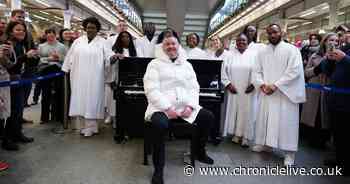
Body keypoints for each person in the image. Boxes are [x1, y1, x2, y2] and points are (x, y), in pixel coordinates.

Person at [144, 36, 214, 184]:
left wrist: (190, 106)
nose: (171, 47)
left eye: (173, 44)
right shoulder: (154, 64)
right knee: (159, 125)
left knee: (208, 117)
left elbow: (194, 88)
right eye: (167, 44)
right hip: (161, 107)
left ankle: (199, 152)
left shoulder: (187, 65)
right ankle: (158, 168)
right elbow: (151, 89)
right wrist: (167, 108)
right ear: (162, 47)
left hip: (184, 106)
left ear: (178, 46)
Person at [252, 24, 306, 166]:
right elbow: (256, 70)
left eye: (275, 32)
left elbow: (294, 71)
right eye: (269, 33)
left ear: (281, 32)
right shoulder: (262, 51)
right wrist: (262, 84)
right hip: (267, 92)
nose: (272, 35)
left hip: (285, 93)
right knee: (266, 120)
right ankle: (267, 145)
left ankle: (289, 153)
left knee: (286, 123)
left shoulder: (292, 50)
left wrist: (276, 85)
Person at [62, 17, 115, 137]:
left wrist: (113, 58)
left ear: (97, 29)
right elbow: (70, 55)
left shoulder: (103, 42)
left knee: (93, 100)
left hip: (95, 78)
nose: (90, 29)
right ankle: (84, 127)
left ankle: (91, 127)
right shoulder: (78, 41)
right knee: (80, 100)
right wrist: (65, 69)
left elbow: (109, 55)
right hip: (78, 77)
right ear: (85, 28)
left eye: (93, 27)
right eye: (88, 27)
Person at [313, 36, 350, 176]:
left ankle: (346, 165)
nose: (345, 36)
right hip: (336, 99)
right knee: (338, 133)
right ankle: (340, 160)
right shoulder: (344, 48)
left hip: (347, 100)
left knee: (346, 134)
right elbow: (328, 71)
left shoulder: (345, 53)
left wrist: (344, 58)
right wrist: (328, 59)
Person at [2, 21, 38, 150]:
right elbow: (10, 66)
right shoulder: (7, 45)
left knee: (18, 110)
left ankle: (17, 134)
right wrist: (25, 56)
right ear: (11, 31)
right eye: (17, 30)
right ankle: (7, 139)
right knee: (9, 113)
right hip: (9, 82)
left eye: (23, 30)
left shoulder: (21, 44)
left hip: (20, 81)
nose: (21, 32)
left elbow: (22, 63)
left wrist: (34, 57)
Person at [221, 33, 257, 147]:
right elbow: (223, 71)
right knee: (235, 111)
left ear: (247, 42)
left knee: (247, 112)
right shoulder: (229, 55)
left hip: (248, 90)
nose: (241, 42)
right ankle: (236, 135)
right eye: (239, 40)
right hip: (234, 89)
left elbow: (259, 71)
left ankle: (246, 137)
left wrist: (253, 84)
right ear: (236, 42)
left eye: (244, 40)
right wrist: (228, 84)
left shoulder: (254, 55)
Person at [301, 33, 336, 148]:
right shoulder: (315, 56)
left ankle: (323, 140)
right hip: (314, 90)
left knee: (324, 116)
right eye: (331, 40)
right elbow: (306, 72)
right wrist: (317, 68)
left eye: (336, 41)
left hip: (328, 90)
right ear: (325, 42)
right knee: (313, 115)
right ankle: (311, 137)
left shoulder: (339, 56)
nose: (333, 43)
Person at [10, 9, 38, 111]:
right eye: (19, 17)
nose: (21, 19)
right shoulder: (8, 34)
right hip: (13, 71)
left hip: (27, 69)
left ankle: (20, 117)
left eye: (23, 17)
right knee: (13, 100)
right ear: (12, 17)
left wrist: (35, 54)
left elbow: (32, 47)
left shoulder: (28, 33)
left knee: (23, 95)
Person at [37, 28, 67, 124]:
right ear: (45, 35)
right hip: (45, 72)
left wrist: (59, 58)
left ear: (55, 34)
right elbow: (38, 59)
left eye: (52, 33)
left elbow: (66, 59)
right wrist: (49, 59)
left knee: (58, 94)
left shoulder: (62, 46)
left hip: (58, 72)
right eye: (48, 33)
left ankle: (58, 116)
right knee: (45, 95)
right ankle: (44, 117)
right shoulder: (41, 46)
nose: (50, 35)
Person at [104, 19, 128, 124]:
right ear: (117, 27)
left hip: (124, 71)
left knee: (122, 95)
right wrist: (114, 57)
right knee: (110, 96)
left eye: (124, 25)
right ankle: (109, 115)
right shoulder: (110, 40)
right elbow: (106, 54)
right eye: (120, 25)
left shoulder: (129, 39)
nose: (122, 27)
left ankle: (120, 116)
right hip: (112, 70)